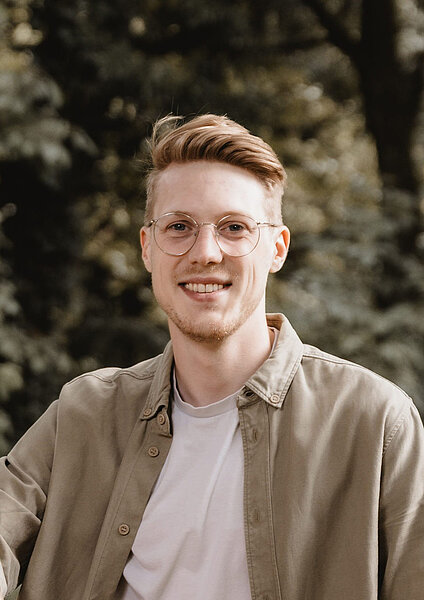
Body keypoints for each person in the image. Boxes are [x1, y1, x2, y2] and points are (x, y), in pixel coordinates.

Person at [1, 114, 423, 600]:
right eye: (179, 226)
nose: (205, 252)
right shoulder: (82, 414)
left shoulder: (375, 421)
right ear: (147, 248)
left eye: (234, 227)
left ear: (277, 248)